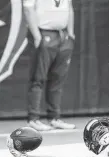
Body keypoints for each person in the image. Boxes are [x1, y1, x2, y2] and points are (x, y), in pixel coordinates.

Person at [23, 0, 76, 131]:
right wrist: (36, 36)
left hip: (62, 35)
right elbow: (28, 9)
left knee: (58, 78)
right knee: (38, 78)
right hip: (43, 33)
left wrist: (70, 33)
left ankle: (54, 118)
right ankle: (33, 119)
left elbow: (69, 8)